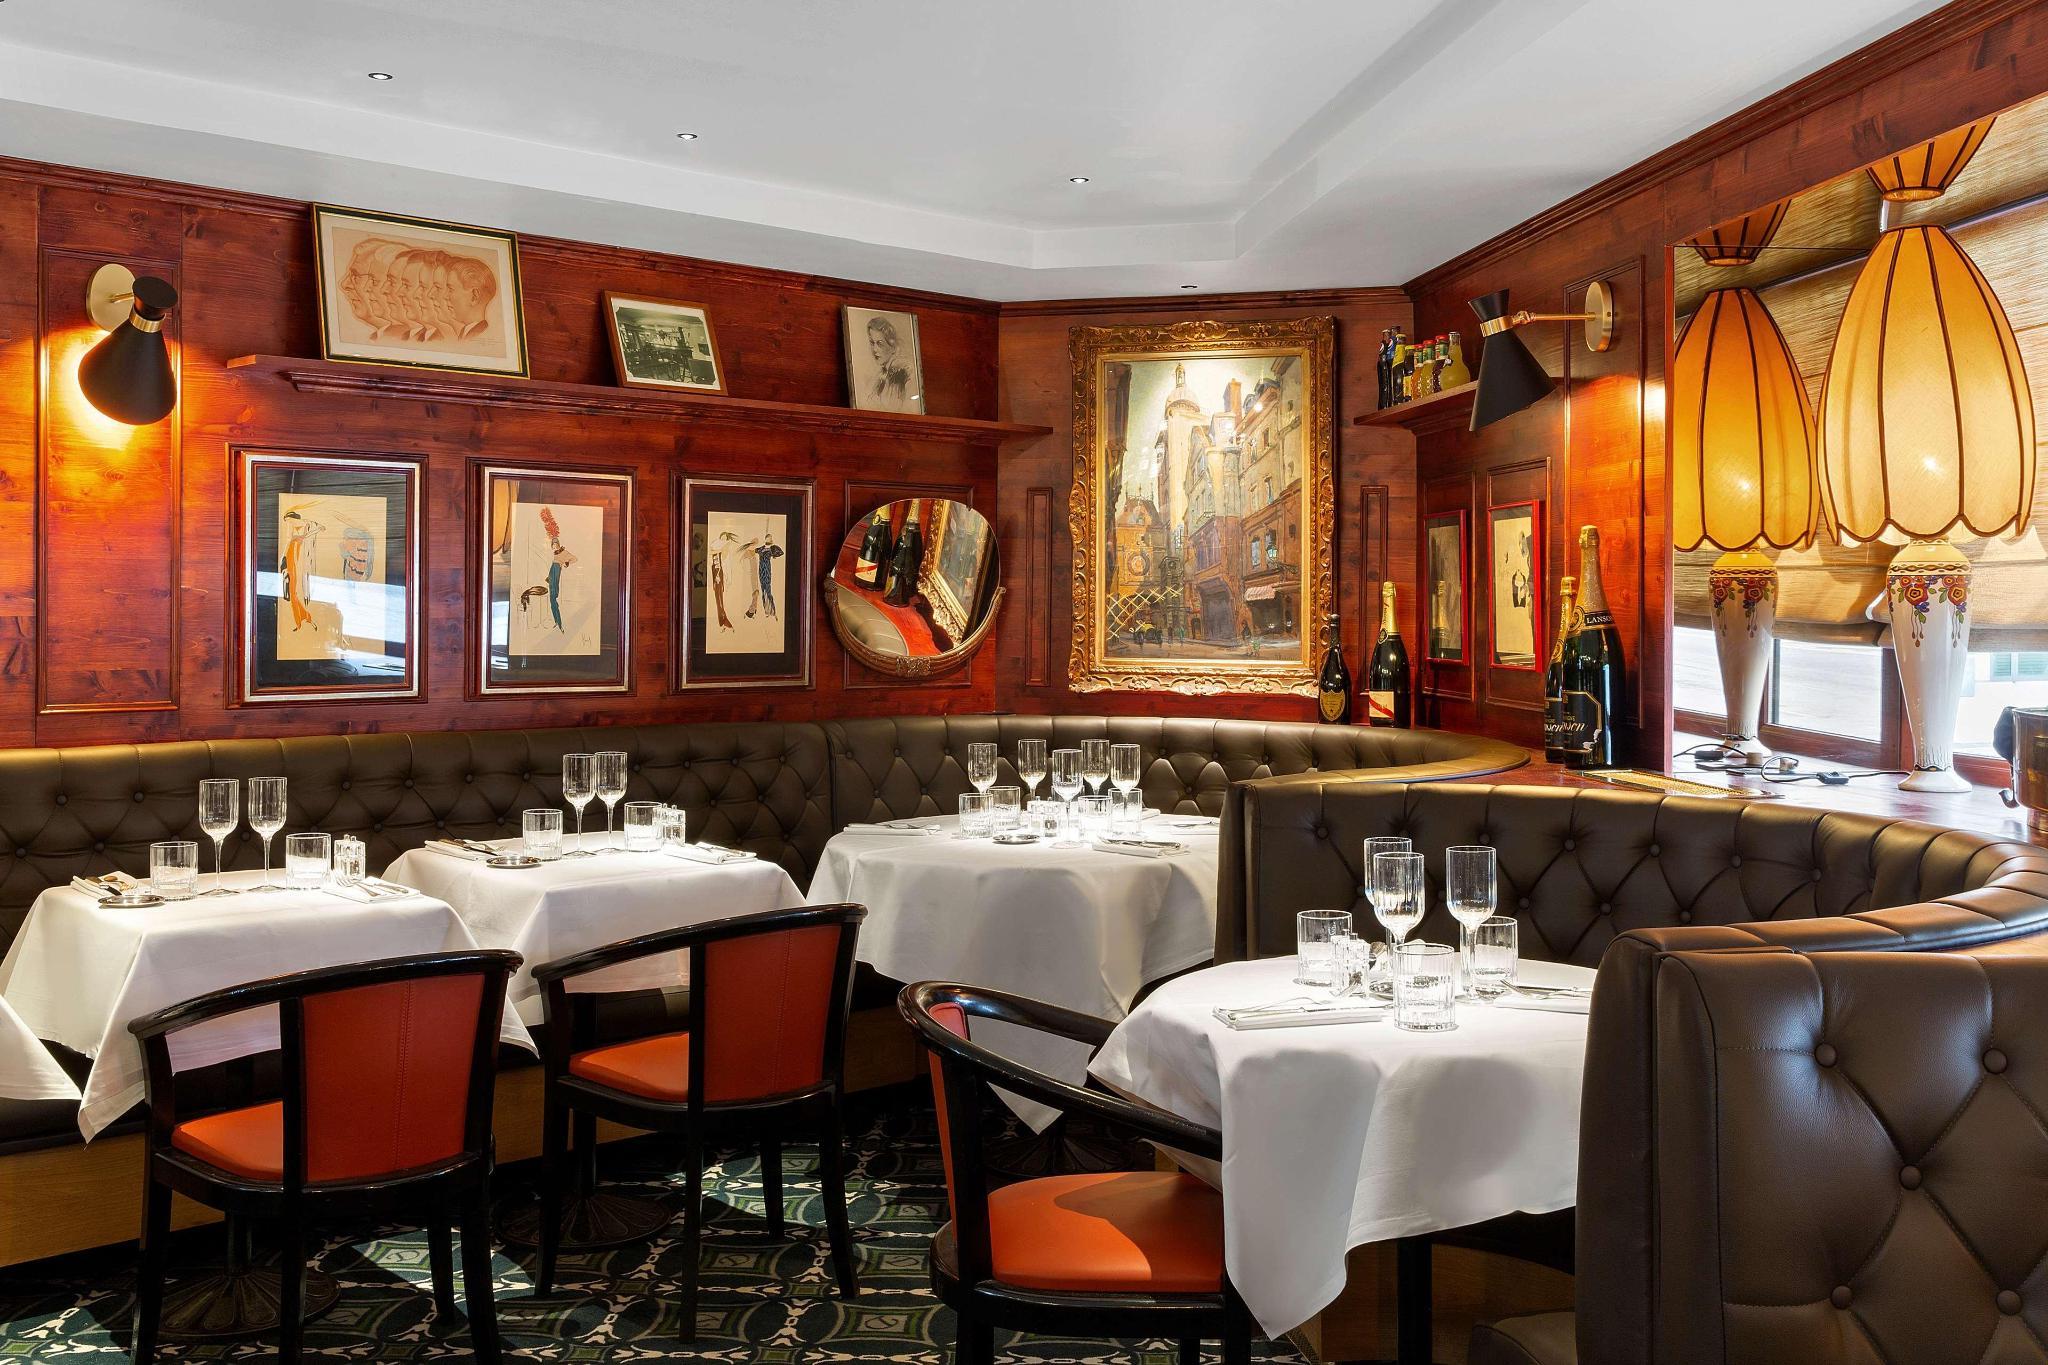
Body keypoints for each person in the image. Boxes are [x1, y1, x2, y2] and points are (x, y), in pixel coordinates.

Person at [279, 509, 324, 632]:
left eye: (288, 520)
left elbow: (302, 537)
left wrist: (317, 529)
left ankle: (302, 620)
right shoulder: (294, 529)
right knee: (293, 593)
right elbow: (290, 541)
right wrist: (283, 561)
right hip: (290, 559)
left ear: (293, 518)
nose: (288, 523)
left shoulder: (302, 526)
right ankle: (303, 619)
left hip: (295, 561)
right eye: (287, 521)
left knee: (293, 593)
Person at [864, 315, 915, 412]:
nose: (874, 349)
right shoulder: (879, 376)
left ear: (892, 346)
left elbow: (893, 407)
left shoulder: (902, 371)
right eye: (872, 343)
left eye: (880, 343)